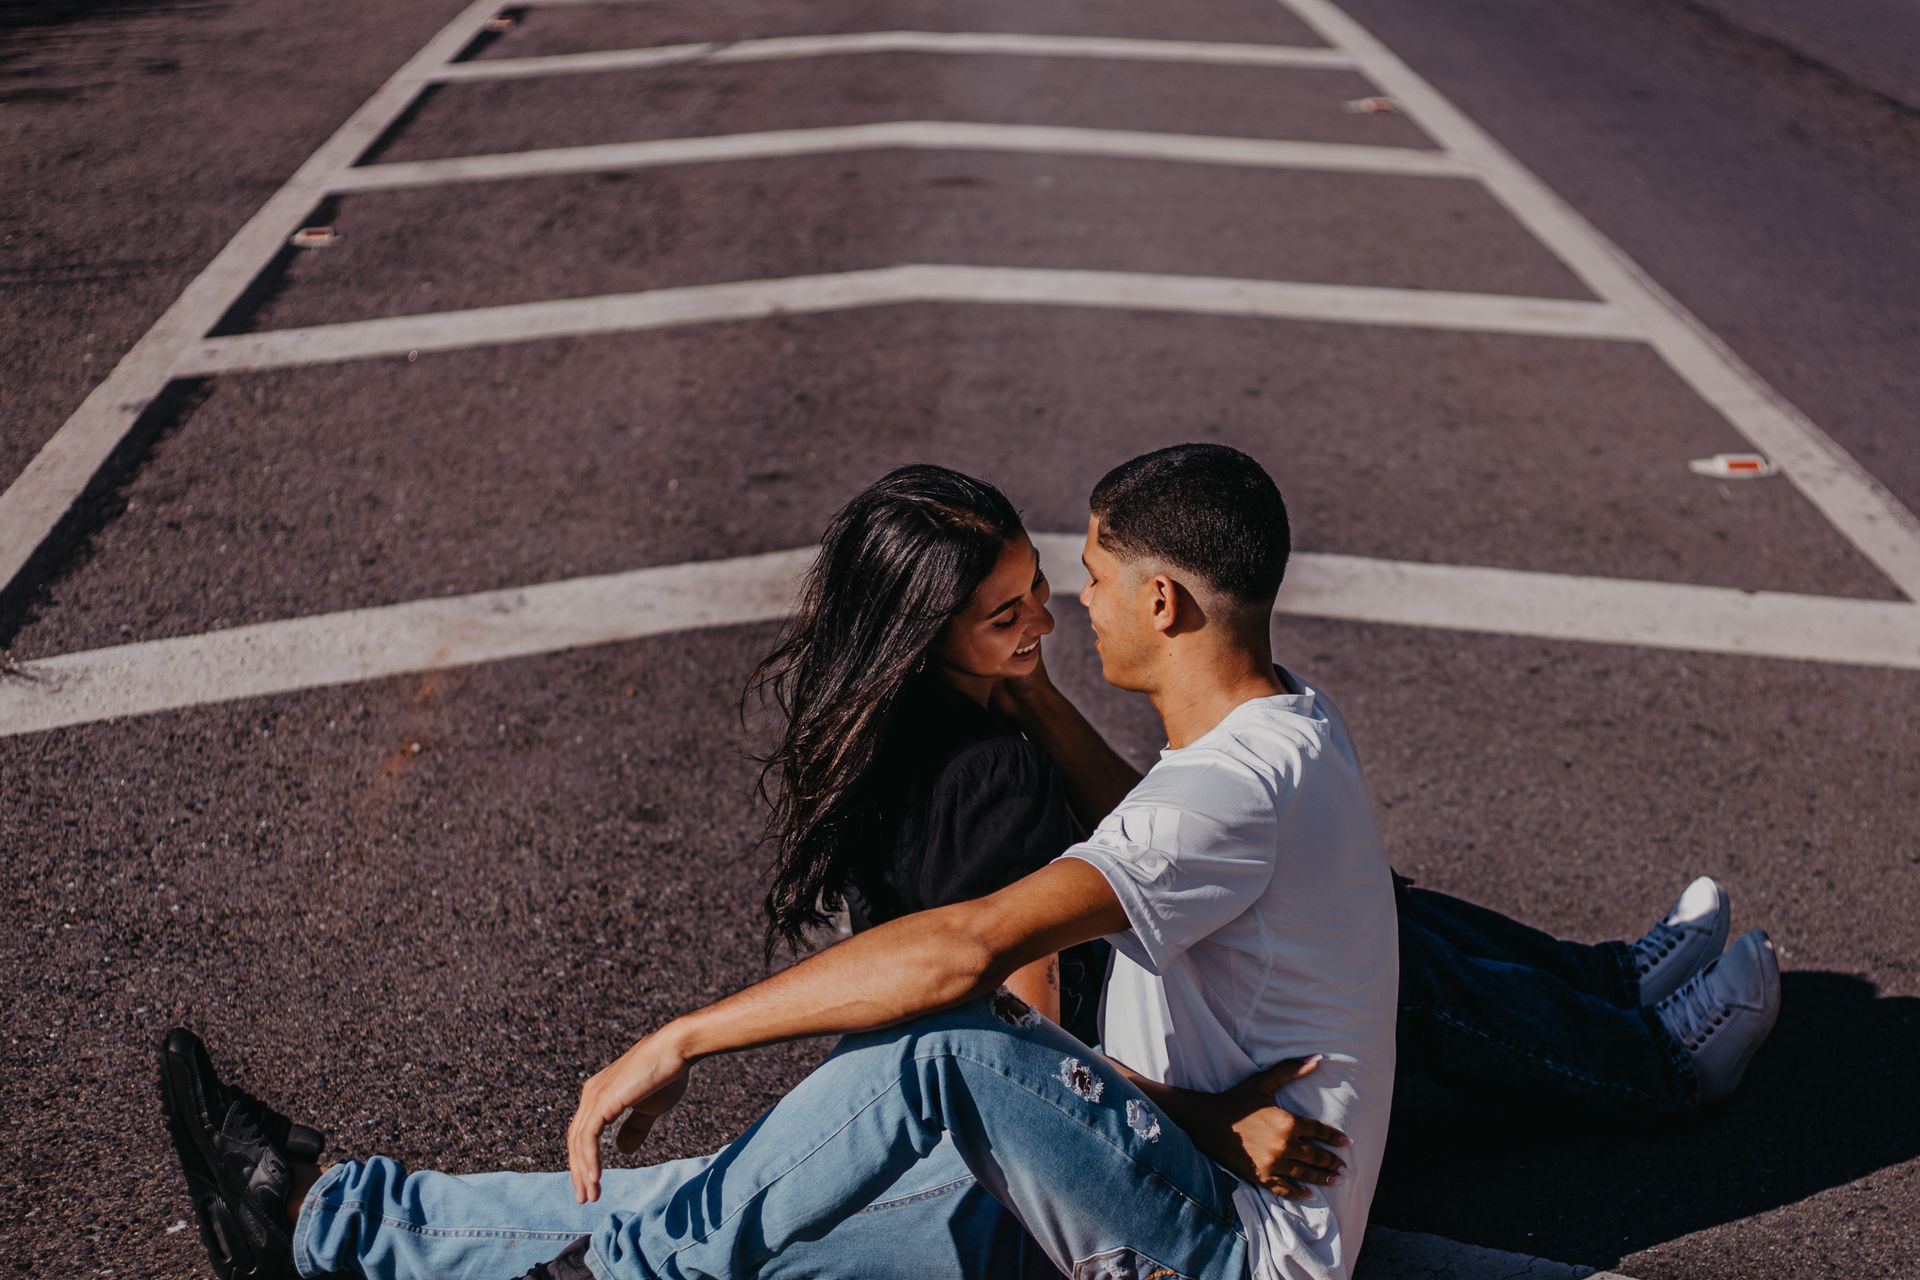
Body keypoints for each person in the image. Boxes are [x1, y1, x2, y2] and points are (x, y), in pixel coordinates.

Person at [159, 447, 1778, 1280]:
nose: (1065, 606)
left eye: (1080, 579)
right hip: (1140, 1193)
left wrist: (678, 1037)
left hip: (1210, 1256)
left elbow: (969, 954)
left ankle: (1637, 1026)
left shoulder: (1224, 794)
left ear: (1163, 605)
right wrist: (1208, 1112)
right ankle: (321, 1226)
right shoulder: (1284, 733)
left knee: (936, 1063)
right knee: (724, 1210)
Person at [749, 463, 1780, 1121]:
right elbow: (1029, 1003)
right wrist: (1160, 1122)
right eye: (1007, 613)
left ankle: (1606, 980)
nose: (1051, 620)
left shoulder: (900, 720)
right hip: (1107, 1046)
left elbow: (1125, 825)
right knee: (1378, 952)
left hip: (1061, 998)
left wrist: (1038, 698)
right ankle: (1652, 1059)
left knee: (1347, 889)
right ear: (927, 631)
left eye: (1041, 589)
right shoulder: (987, 773)